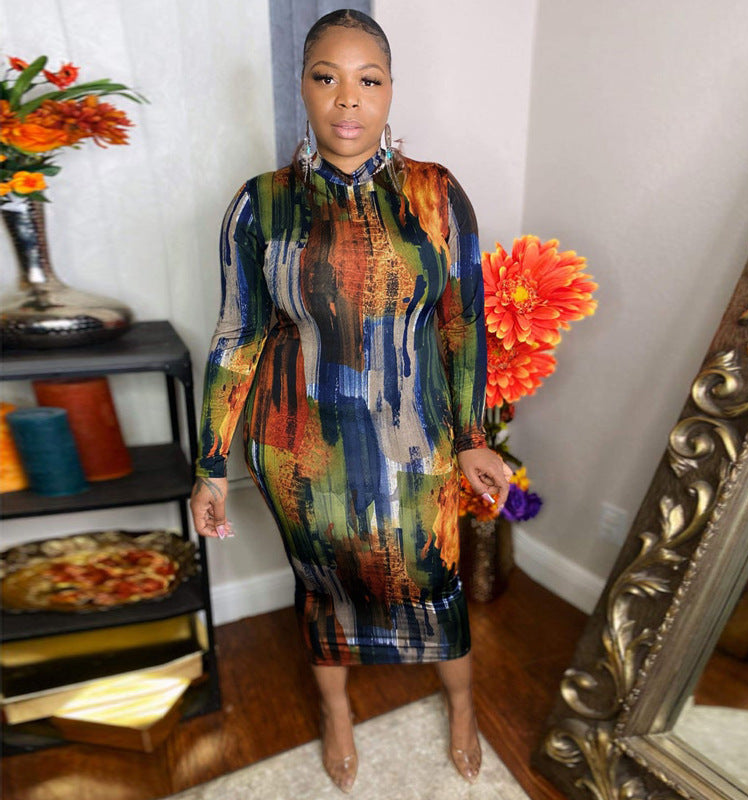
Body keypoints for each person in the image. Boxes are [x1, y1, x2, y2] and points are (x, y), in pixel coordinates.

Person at [190, 9, 509, 793]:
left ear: (390, 90)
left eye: (368, 80)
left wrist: (474, 436)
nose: (347, 99)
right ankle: (336, 713)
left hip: (419, 440)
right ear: (302, 86)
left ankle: (461, 705)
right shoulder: (261, 204)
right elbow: (237, 335)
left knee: (435, 580)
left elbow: (463, 321)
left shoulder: (436, 194)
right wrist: (210, 464)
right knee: (324, 586)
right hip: (301, 448)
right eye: (326, 78)